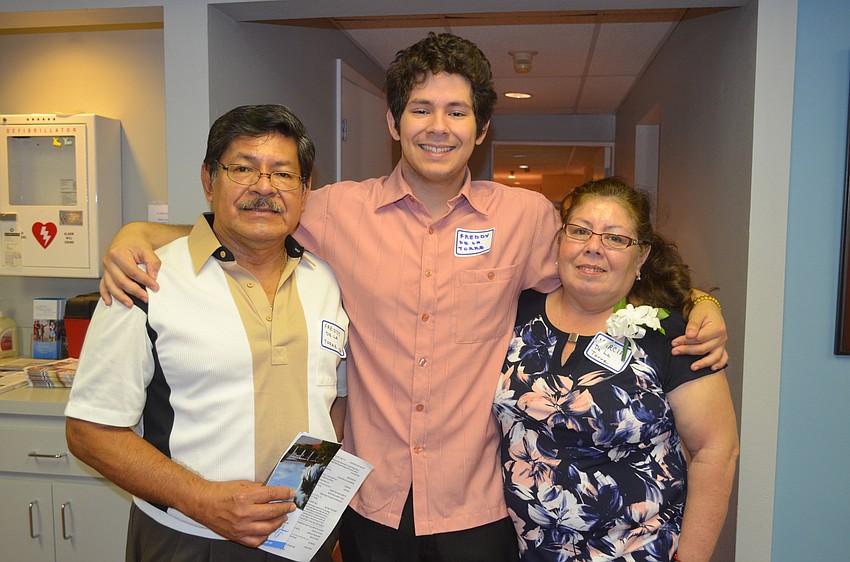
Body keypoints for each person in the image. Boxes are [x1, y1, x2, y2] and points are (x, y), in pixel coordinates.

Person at [96, 33, 728, 562]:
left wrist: (702, 302)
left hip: (481, 509)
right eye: (421, 109)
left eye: (457, 111)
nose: (438, 126)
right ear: (394, 123)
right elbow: (250, 218)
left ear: (481, 129)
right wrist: (136, 232)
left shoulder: (527, 218)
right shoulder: (336, 212)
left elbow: (603, 273)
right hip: (370, 503)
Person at [65, 105, 349, 561]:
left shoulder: (325, 281)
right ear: (208, 180)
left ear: (305, 190)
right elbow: (89, 431)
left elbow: (332, 404)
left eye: (283, 174)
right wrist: (202, 500)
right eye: (243, 169)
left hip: (298, 538)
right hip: (187, 538)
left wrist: (320, 515)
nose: (264, 187)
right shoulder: (147, 281)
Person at [494, 177, 738, 562]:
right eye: (579, 231)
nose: (593, 247)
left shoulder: (670, 333)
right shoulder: (516, 312)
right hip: (528, 550)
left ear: (641, 256)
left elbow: (716, 450)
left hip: (640, 550)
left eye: (615, 238)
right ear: (559, 241)